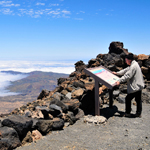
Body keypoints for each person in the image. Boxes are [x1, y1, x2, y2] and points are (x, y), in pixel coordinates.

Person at [113, 53, 145, 117]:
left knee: (128, 98)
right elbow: (125, 70)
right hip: (139, 85)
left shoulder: (133, 66)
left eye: (126, 60)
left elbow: (127, 75)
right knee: (138, 100)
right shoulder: (134, 64)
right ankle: (138, 113)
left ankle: (128, 113)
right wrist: (117, 73)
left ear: (129, 60)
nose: (125, 61)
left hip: (136, 86)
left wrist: (119, 81)